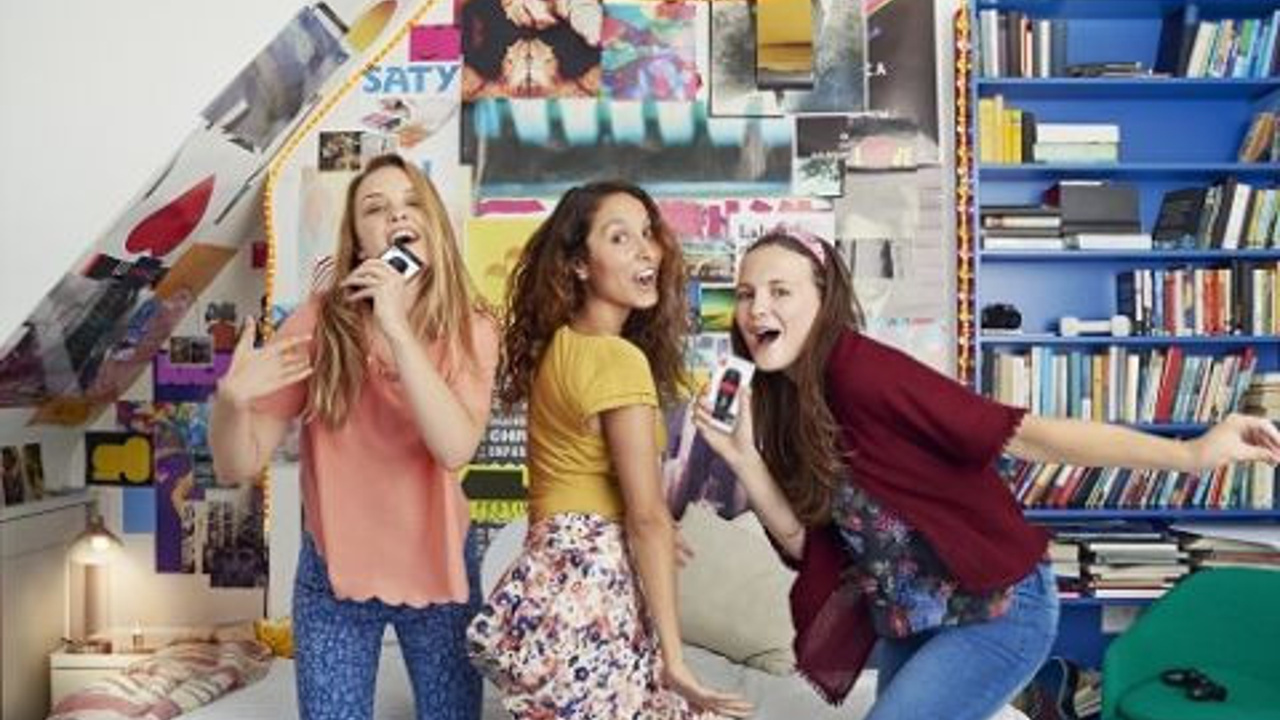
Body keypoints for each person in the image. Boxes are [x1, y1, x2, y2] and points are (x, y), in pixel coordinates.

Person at [693, 229, 1280, 720]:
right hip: (916, 619)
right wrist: (743, 456)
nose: (756, 309)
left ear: (824, 301)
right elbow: (810, 546)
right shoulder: (792, 403)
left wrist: (1190, 455)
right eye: (745, 294)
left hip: (999, 609)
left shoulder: (861, 370)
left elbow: (1023, 433)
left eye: (779, 291)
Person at [209, 154, 499, 720]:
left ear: (434, 223)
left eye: (411, 203)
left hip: (440, 564)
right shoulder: (319, 323)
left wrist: (396, 326)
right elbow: (236, 464)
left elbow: (455, 447)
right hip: (333, 572)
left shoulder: (473, 326)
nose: (397, 215)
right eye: (375, 208)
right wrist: (230, 402)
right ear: (358, 240)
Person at [466, 181, 752, 719]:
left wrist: (644, 530)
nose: (646, 251)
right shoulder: (616, 360)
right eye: (620, 238)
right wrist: (674, 660)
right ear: (578, 264)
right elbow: (646, 517)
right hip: (591, 594)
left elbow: (583, 487)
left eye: (648, 233)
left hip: (548, 588)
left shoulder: (560, 349)